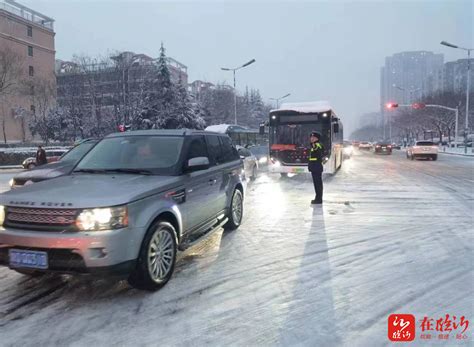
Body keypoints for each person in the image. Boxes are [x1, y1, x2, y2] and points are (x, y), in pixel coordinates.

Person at [308, 131, 324, 204]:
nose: (311, 138)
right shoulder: (313, 145)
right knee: (317, 184)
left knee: (318, 184)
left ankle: (318, 199)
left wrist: (314, 146)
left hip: (316, 167)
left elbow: (318, 148)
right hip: (314, 167)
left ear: (317, 138)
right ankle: (317, 198)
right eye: (311, 137)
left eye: (313, 137)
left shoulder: (317, 145)